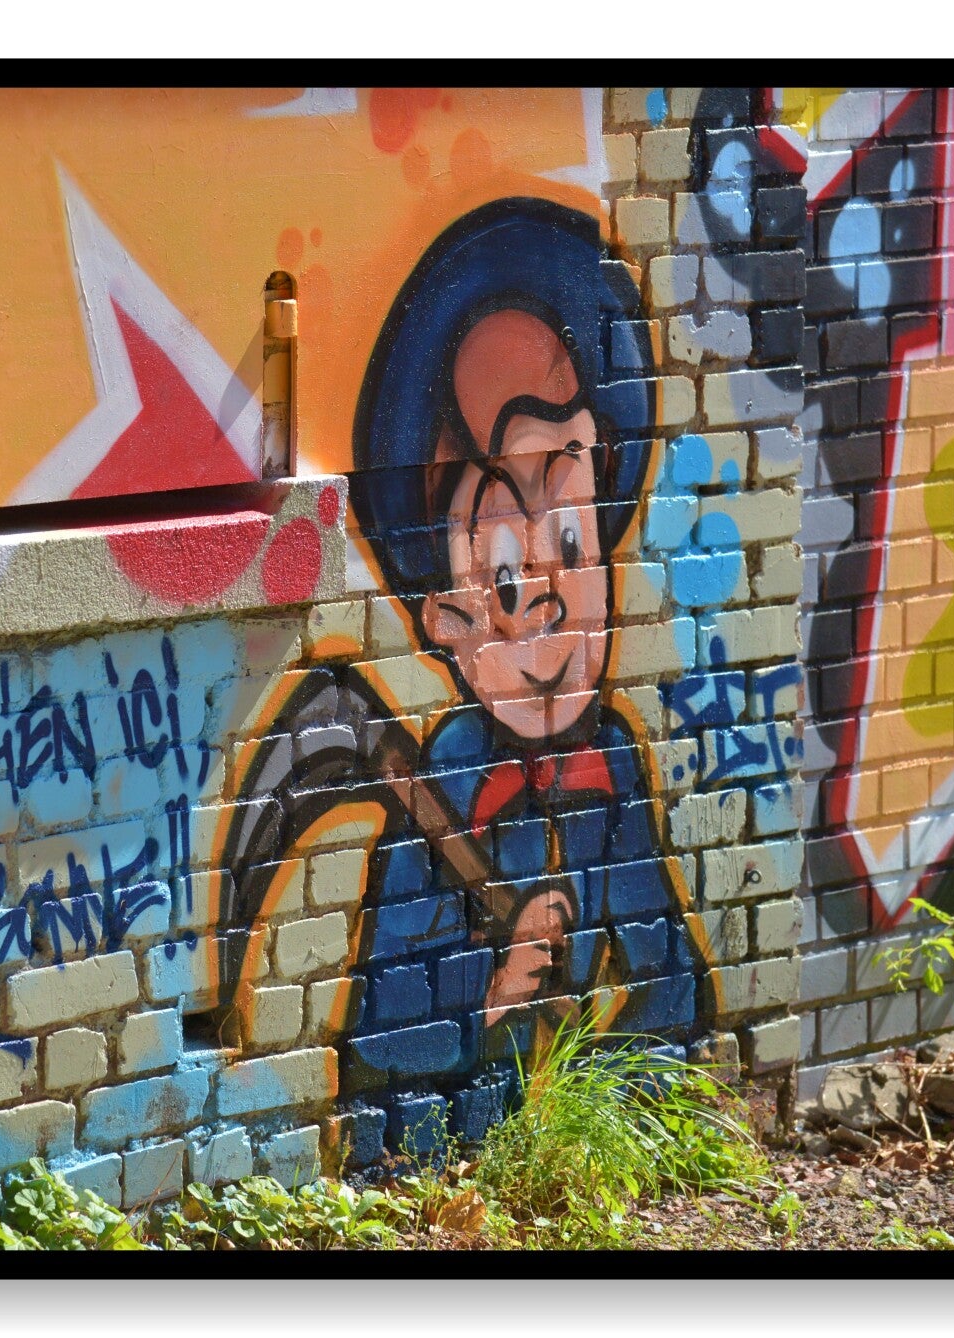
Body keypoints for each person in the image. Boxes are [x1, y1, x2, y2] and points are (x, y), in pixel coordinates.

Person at [218, 199, 706, 1161]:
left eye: (574, 545)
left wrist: (607, 1107)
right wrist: (490, 996)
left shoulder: (612, 767)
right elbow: (378, 1052)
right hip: (452, 1155)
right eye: (508, 581)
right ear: (446, 622)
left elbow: (673, 991)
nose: (551, 605)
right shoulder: (437, 795)